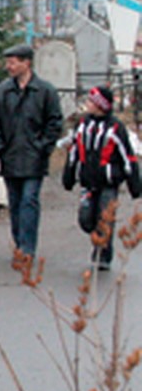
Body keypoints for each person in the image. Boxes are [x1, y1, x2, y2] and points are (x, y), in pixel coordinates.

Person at [0, 43, 63, 261]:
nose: (8, 66)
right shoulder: (2, 91)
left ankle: (27, 246)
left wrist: (43, 147)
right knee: (15, 201)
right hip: (10, 155)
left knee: (29, 200)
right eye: (8, 62)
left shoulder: (45, 91)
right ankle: (20, 241)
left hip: (33, 156)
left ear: (26, 63)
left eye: (13, 62)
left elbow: (54, 122)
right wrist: (0, 147)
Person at [62, 85, 141, 269]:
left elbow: (127, 157)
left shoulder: (115, 128)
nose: (87, 104)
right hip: (88, 182)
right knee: (86, 219)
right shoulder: (82, 125)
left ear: (100, 105)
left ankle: (103, 255)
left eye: (90, 101)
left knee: (105, 218)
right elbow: (74, 151)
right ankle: (96, 235)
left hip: (108, 182)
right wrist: (69, 176)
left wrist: (135, 185)